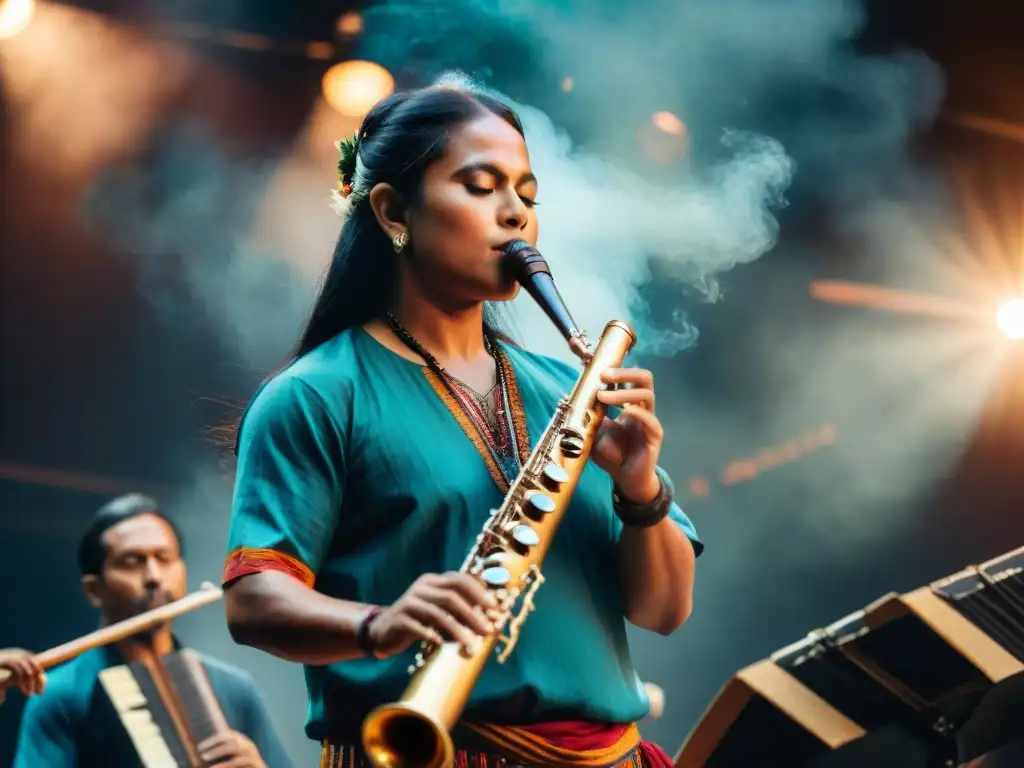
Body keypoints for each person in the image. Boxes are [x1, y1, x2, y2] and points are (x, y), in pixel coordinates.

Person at [221, 76, 703, 768]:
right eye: (481, 187)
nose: (516, 215)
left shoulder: (570, 388)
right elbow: (253, 603)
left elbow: (663, 612)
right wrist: (378, 625)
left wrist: (639, 487)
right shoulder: (317, 394)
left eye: (528, 196)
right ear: (392, 212)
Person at [10, 493, 293, 768]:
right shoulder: (61, 695)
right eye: (132, 562)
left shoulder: (235, 688)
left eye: (164, 558)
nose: (154, 577)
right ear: (94, 590)